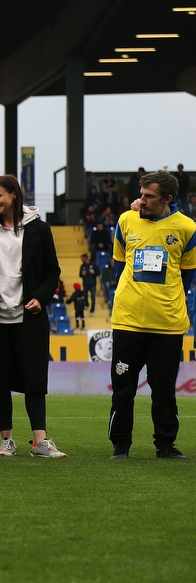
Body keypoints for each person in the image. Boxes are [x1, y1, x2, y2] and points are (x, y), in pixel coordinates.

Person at [0, 175, 67, 458]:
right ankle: (6, 440)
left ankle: (40, 442)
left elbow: (51, 272)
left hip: (29, 318)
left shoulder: (39, 229)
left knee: (34, 379)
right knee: (0, 380)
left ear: (14, 196)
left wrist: (40, 298)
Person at [108, 170, 196, 460]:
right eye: (141, 195)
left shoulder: (187, 227)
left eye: (149, 196)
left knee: (164, 391)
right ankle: (121, 445)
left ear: (168, 199)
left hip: (167, 324)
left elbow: (187, 274)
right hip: (128, 320)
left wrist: (166, 299)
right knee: (123, 389)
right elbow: (120, 265)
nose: (141, 200)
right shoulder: (126, 220)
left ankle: (165, 445)